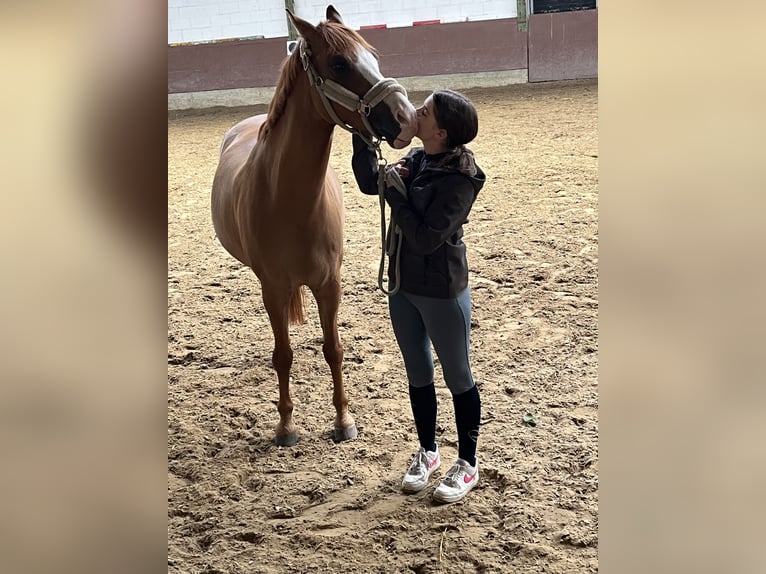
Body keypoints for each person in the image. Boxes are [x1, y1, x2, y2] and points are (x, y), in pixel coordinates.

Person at [352, 89, 486, 503]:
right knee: (417, 371)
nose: (416, 113)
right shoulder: (417, 159)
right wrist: (361, 133)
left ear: (440, 132)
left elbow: (428, 238)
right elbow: (366, 183)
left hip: (442, 288)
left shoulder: (461, 177)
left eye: (424, 111)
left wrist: (399, 197)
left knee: (458, 376)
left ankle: (468, 463)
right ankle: (428, 452)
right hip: (403, 284)